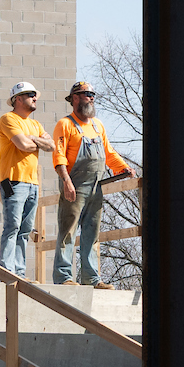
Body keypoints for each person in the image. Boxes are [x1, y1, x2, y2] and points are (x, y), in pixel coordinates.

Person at [50, 79, 131, 287]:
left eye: (92, 95)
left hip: (96, 187)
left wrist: (123, 167)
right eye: (87, 94)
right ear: (75, 98)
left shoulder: (97, 125)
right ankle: (64, 277)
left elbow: (108, 153)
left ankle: (92, 278)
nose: (91, 98)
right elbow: (59, 157)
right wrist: (67, 183)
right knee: (68, 231)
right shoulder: (65, 125)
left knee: (92, 232)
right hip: (74, 187)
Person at [0, 80, 51, 278]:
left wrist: (33, 139)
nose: (34, 98)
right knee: (12, 226)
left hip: (32, 183)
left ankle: (19, 271)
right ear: (17, 99)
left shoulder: (35, 124)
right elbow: (22, 145)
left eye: (34, 95)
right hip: (14, 181)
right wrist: (38, 141)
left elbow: (51, 146)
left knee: (25, 230)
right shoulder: (8, 119)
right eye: (30, 95)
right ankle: (7, 270)